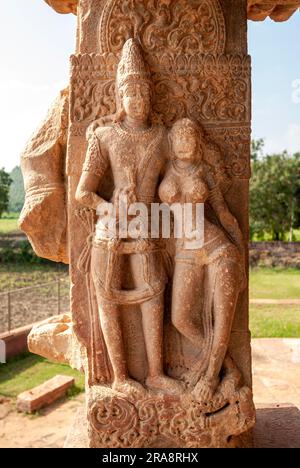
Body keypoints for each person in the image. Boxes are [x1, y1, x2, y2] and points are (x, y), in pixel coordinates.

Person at [76, 38, 182, 396]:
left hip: (149, 224)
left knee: (154, 295)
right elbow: (83, 192)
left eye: (143, 92)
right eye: (130, 93)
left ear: (151, 95)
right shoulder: (104, 136)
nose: (137, 100)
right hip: (111, 227)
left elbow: (183, 169)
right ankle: (119, 375)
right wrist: (108, 207)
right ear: (119, 98)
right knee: (108, 298)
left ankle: (155, 372)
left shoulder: (164, 137)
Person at [159, 118, 246, 401]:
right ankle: (230, 369)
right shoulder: (164, 170)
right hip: (186, 249)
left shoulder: (205, 172)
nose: (185, 142)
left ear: (198, 142)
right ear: (171, 143)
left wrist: (240, 255)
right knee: (181, 319)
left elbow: (224, 214)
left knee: (222, 318)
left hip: (218, 248)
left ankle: (210, 378)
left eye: (190, 136)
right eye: (179, 137)